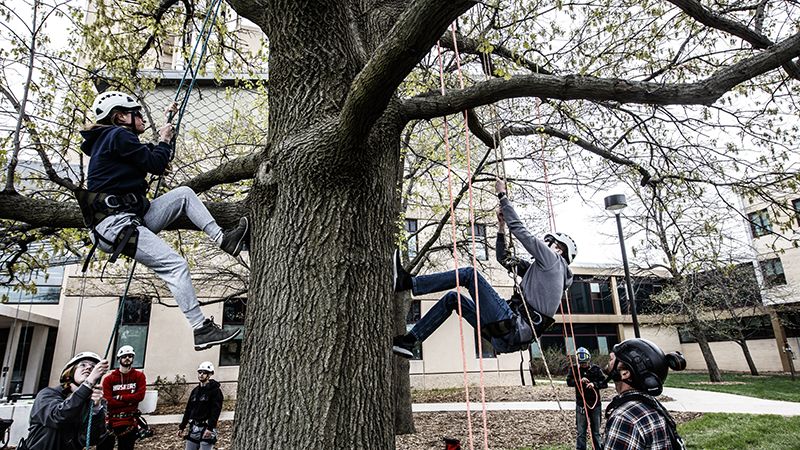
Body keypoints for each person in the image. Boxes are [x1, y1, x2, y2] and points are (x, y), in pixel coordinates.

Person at [79, 91, 246, 351]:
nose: (142, 117)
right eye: (137, 113)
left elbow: (156, 156)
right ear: (121, 116)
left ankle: (224, 239)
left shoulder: (113, 141)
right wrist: (164, 141)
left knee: (184, 195)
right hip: (116, 224)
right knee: (176, 265)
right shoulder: (118, 135)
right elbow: (156, 162)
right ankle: (200, 328)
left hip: (129, 218)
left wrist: (168, 125)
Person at [392, 178, 575, 357]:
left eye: (548, 242)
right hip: (506, 338)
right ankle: (409, 341)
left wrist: (502, 195)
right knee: (452, 299)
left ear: (558, 250)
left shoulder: (553, 261)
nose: (543, 243)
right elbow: (503, 258)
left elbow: (520, 230)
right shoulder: (544, 272)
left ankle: (406, 282)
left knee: (469, 274)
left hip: (511, 326)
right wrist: (501, 227)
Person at [602, 338, 687, 450]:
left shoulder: (625, 418)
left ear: (625, 373)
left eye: (618, 357)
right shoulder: (651, 405)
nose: (612, 355)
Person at [24, 351, 110, 449]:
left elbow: (91, 439)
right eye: (82, 365)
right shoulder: (47, 394)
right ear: (70, 371)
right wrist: (88, 384)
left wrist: (96, 411)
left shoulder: (97, 402)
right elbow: (58, 417)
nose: (89, 368)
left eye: (93, 366)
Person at [98, 345, 146, 450]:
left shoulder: (139, 376)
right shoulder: (109, 379)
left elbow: (140, 396)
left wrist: (120, 397)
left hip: (129, 421)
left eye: (130, 356)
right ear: (119, 359)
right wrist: (129, 402)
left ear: (133, 358)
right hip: (110, 421)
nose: (127, 358)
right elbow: (108, 401)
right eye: (124, 356)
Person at [566, 347, 607, 450]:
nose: (583, 365)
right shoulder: (574, 369)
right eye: (581, 363)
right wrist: (579, 381)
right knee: (581, 431)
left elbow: (604, 383)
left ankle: (597, 448)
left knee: (596, 431)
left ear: (589, 361)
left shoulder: (596, 369)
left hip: (595, 403)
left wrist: (594, 385)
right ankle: (581, 448)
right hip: (581, 403)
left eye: (585, 363)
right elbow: (569, 382)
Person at [177, 361, 224, 450]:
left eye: (204, 372)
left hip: (207, 427)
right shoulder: (195, 391)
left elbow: (216, 410)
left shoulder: (215, 391)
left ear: (210, 374)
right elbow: (188, 409)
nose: (201, 374)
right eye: (200, 372)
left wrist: (210, 428)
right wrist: (182, 426)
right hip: (194, 427)